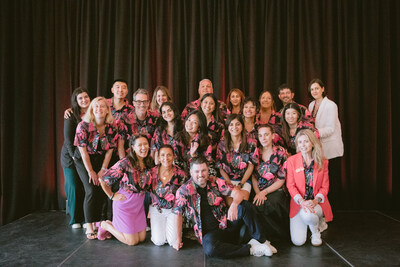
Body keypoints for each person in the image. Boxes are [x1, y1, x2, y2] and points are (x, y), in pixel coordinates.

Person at [172, 156, 277, 258]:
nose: (200, 174)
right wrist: (178, 239)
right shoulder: (183, 190)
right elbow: (178, 214)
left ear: (208, 170)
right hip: (211, 235)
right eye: (197, 171)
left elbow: (238, 193)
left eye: (203, 170)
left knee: (244, 205)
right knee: (210, 248)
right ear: (191, 172)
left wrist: (234, 205)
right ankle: (251, 249)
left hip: (227, 223)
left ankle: (262, 241)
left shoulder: (215, 181)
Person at [73, 96, 119, 239]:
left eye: (102, 106)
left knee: (103, 188)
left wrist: (102, 170)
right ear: (92, 109)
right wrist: (91, 171)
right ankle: (90, 225)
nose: (99, 109)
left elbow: (110, 150)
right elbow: (83, 151)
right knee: (91, 189)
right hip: (84, 160)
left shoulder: (111, 127)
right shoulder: (83, 126)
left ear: (107, 110)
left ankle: (102, 223)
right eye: (96, 106)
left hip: (101, 159)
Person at [99, 134, 155, 245]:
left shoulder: (149, 162)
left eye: (145, 144)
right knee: (132, 242)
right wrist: (112, 195)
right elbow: (103, 180)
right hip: (125, 204)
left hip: (138, 206)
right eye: (140, 145)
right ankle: (105, 225)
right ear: (133, 148)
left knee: (142, 238)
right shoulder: (125, 162)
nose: (143, 147)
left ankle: (113, 225)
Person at [286, 129, 333, 246]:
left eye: (306, 141)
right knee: (298, 242)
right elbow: (290, 185)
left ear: (312, 143)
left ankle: (315, 232)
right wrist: (301, 201)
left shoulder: (323, 161)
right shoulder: (291, 161)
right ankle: (314, 221)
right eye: (300, 142)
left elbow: (325, 186)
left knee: (307, 215)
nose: (303, 145)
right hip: (299, 203)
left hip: (316, 203)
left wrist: (315, 200)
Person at [308, 78, 344, 207]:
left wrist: (313, 133)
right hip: (318, 148)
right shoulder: (311, 105)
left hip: (331, 147)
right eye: (312, 89)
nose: (314, 91)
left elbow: (330, 128)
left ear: (323, 89)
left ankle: (335, 208)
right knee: (321, 180)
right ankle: (323, 207)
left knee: (332, 180)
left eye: (317, 88)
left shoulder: (331, 105)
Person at [252, 124, 290, 238]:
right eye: (260, 135)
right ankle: (262, 237)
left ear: (273, 135)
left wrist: (264, 192)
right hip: (258, 190)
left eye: (266, 134)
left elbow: (281, 179)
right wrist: (258, 192)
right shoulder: (256, 153)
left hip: (276, 190)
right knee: (255, 206)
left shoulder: (281, 153)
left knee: (269, 204)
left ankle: (276, 236)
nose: (263, 138)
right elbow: (253, 176)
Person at [60, 87, 89, 228]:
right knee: (73, 186)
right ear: (76, 101)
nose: (84, 100)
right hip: (70, 157)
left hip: (85, 157)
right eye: (80, 98)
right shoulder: (71, 115)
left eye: (86, 97)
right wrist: (73, 157)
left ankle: (85, 218)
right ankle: (74, 219)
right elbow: (68, 140)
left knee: (85, 187)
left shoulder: (93, 113)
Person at [149, 145, 187, 246]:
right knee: (158, 241)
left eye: (169, 155)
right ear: (159, 157)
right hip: (157, 209)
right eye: (163, 155)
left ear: (174, 156)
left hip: (173, 211)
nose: (166, 158)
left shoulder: (180, 173)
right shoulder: (152, 172)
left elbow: (183, 197)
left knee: (172, 242)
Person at [217, 114, 258, 204]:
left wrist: (240, 184)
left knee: (241, 203)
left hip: (243, 180)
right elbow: (220, 167)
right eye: (231, 124)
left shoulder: (251, 142)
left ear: (242, 126)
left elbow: (251, 166)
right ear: (227, 127)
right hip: (227, 179)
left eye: (237, 124)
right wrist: (229, 183)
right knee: (230, 203)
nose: (234, 127)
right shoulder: (222, 143)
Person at [175, 110, 213, 175]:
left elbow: (207, 165)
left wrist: (194, 156)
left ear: (199, 127)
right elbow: (176, 162)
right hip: (181, 174)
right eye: (189, 120)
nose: (189, 124)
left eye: (194, 122)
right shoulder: (178, 137)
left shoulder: (205, 140)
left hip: (200, 174)